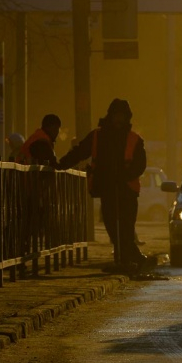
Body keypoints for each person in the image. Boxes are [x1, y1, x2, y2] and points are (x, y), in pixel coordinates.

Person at [57, 99, 155, 276]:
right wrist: (61, 164)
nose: (119, 119)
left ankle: (128, 260)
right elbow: (80, 152)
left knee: (125, 227)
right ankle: (131, 260)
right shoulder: (97, 136)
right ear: (110, 116)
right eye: (116, 115)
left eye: (122, 116)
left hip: (127, 190)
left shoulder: (134, 139)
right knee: (111, 225)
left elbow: (140, 164)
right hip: (107, 188)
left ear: (127, 118)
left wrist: (123, 176)